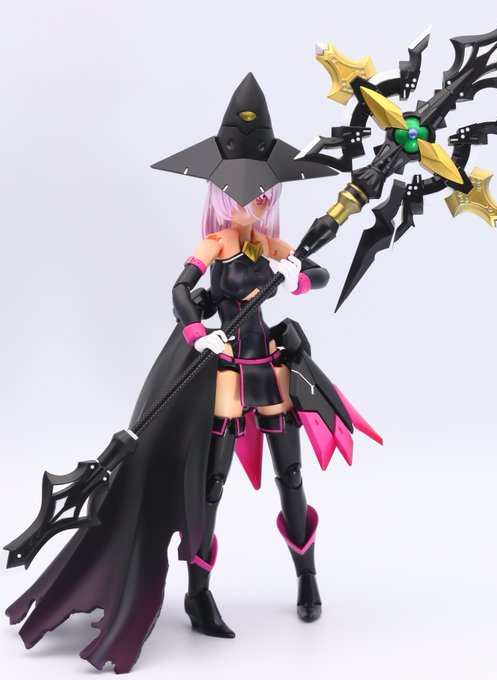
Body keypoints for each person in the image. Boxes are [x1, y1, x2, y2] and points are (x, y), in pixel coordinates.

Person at [6, 73, 381, 673]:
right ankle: (198, 594)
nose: (253, 202)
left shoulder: (271, 248)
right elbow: (181, 290)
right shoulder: (217, 244)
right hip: (226, 371)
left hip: (269, 368)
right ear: (221, 193)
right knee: (209, 487)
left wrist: (298, 278)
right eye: (242, 193)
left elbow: (320, 274)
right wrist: (196, 332)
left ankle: (307, 578)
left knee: (291, 476)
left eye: (263, 193)